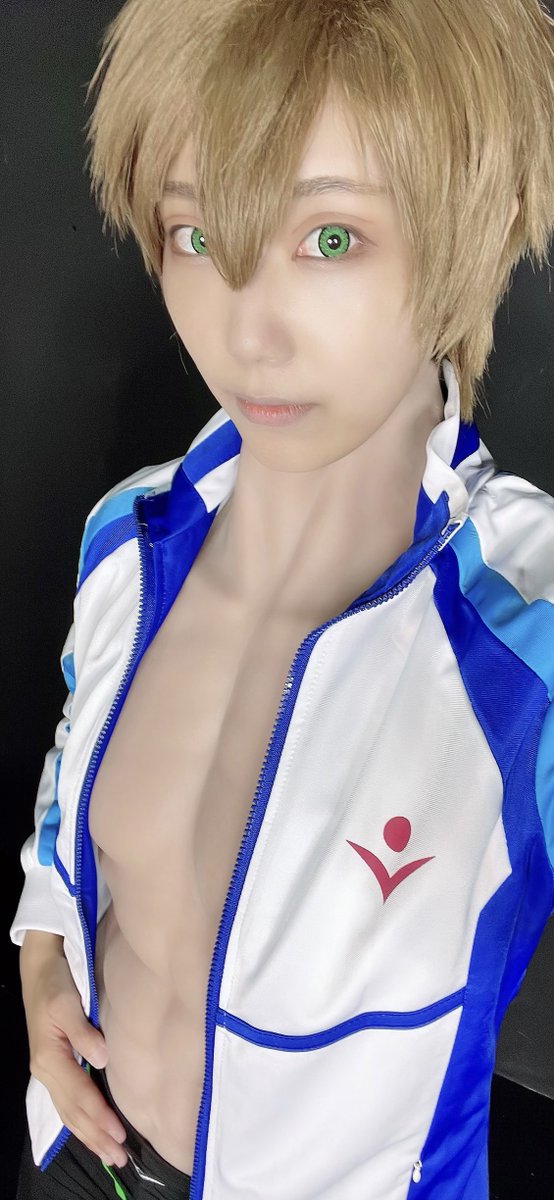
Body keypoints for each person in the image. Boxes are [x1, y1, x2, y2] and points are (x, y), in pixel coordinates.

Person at [11, 0, 554, 1197]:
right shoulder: (130, 533)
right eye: (196, 234)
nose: (244, 334)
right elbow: (73, 760)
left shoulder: (527, 626)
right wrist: (42, 949)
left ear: (481, 225)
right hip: (78, 1159)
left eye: (329, 238)